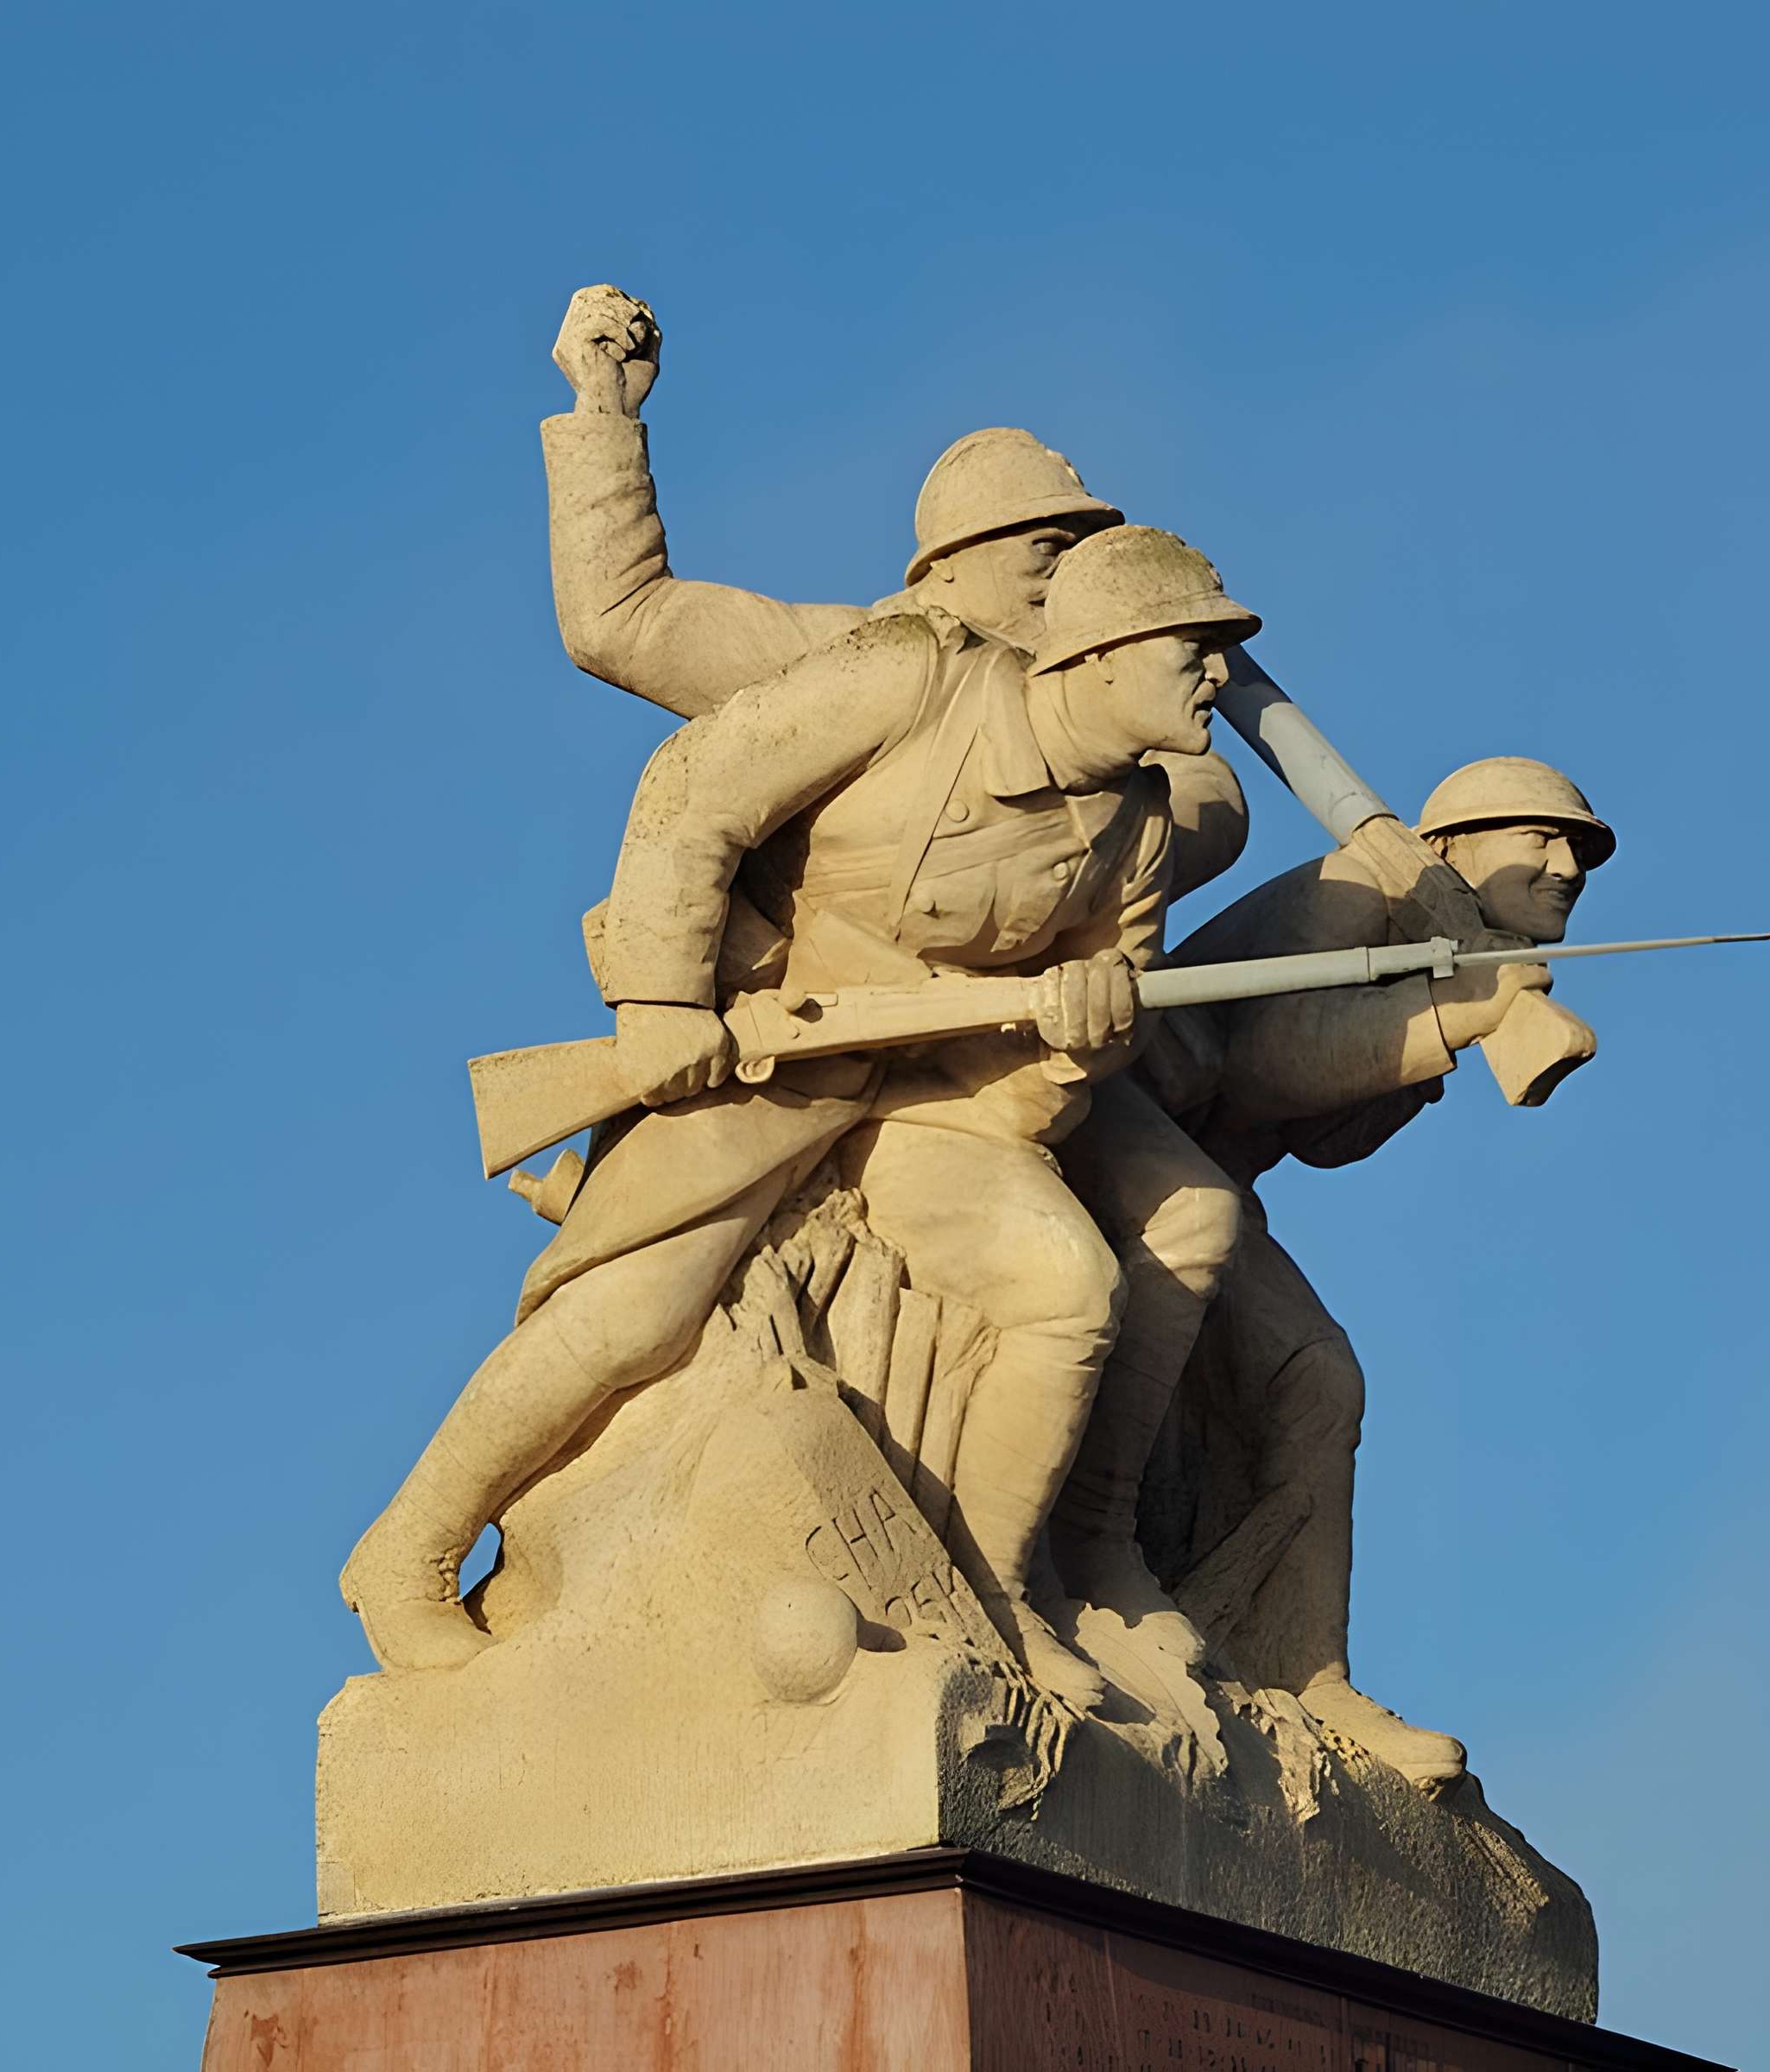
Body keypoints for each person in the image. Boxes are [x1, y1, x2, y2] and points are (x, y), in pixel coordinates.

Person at [343, 527, 1258, 1711]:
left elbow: (1066, 1066)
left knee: (1067, 1287)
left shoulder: (1134, 831)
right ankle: (407, 1550)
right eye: (1196, 648)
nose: (1218, 678)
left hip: (937, 1103)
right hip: (771, 1047)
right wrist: (664, 999)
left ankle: (1001, 1595)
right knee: (636, 1306)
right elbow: (696, 794)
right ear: (1101, 651)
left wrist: (1081, 1043)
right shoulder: (915, 673)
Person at [1125, 757, 1615, 1784]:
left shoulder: (1457, 951)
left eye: (1577, 848)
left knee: (1316, 1380)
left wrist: (1453, 1018)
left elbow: (1324, 1142)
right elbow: (1259, 1061)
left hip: (1213, 1173)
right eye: (1538, 838)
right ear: (1448, 849)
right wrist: (1452, 1018)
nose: (1565, 865)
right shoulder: (1362, 888)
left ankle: (1304, 1669)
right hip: (1126, 1140)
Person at [541, 284, 1249, 895]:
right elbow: (620, 623)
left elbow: (1211, 804)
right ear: (948, 564)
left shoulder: (1120, 717)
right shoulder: (854, 659)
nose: (1070, 576)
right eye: (1045, 549)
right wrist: (604, 412)